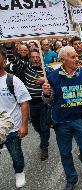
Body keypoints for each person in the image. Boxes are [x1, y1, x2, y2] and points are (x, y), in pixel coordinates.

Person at [42, 46, 82, 190]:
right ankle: (72, 179)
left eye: (77, 56)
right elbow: (49, 101)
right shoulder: (52, 77)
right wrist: (46, 94)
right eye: (73, 57)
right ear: (63, 60)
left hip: (81, 118)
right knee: (65, 153)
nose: (77, 59)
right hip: (61, 121)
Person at [0, 48, 31, 188]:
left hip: (11, 127)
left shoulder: (12, 80)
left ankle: (19, 173)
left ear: (4, 61)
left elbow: (24, 102)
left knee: (16, 155)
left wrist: (24, 125)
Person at [12, 48, 50, 160]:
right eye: (33, 57)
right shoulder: (27, 67)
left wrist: (44, 80)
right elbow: (14, 60)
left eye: (37, 57)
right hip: (31, 103)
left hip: (44, 103)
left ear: (41, 58)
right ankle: (43, 137)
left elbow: (54, 81)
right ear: (30, 58)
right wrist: (9, 47)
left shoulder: (46, 69)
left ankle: (44, 146)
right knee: (36, 126)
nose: (35, 59)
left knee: (44, 127)